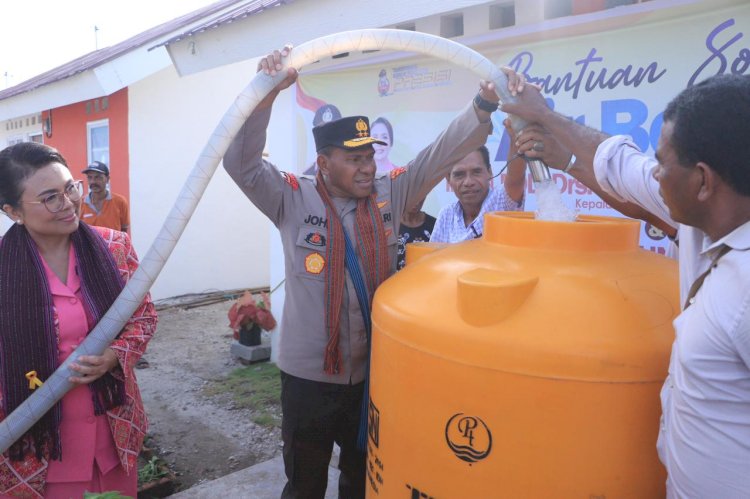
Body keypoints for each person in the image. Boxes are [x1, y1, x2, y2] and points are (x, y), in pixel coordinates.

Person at [223, 45, 521, 498]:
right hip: (309, 379)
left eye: (370, 157)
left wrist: (483, 106)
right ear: (324, 163)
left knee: (362, 480)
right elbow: (240, 164)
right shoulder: (291, 198)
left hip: (371, 378)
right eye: (355, 159)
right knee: (304, 483)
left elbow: (440, 154)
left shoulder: (390, 194)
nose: (368, 168)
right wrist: (265, 95)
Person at [503, 73, 750, 497]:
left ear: (703, 181)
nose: (654, 175)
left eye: (662, 164)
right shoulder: (702, 221)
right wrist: (544, 118)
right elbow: (619, 165)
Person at [0, 142, 157, 497]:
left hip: (114, 438)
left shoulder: (115, 247)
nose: (69, 202)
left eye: (71, 187)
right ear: (13, 211)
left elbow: (144, 316)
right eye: (50, 197)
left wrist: (113, 355)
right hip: (38, 453)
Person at [430, 131, 526, 242]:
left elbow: (516, 178)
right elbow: (434, 257)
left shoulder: (502, 201)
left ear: (489, 172)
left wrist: (517, 135)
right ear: (448, 179)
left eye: (476, 172)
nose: (468, 182)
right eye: (459, 175)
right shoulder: (446, 215)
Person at [80, 161, 130, 233]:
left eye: (98, 177)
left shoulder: (120, 202)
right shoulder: (79, 204)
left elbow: (124, 232)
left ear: (107, 179)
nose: (93, 181)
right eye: (89, 177)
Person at [396, 199, 436, 270]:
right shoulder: (390, 225)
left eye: (421, 195)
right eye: (414, 194)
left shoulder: (435, 225)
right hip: (396, 280)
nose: (417, 201)